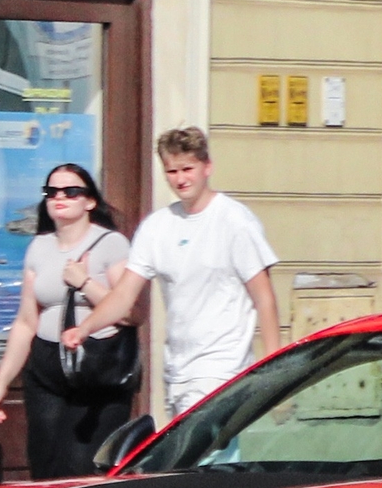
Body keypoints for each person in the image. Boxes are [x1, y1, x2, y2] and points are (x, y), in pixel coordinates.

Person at [63, 127, 280, 416]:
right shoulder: (157, 226)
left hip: (222, 368)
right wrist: (85, 328)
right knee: (187, 461)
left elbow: (263, 297)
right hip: (177, 370)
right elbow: (124, 295)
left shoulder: (235, 221)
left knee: (207, 458)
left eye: (187, 169)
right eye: (172, 171)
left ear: (207, 167)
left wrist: (274, 365)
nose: (180, 179)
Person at [0, 164, 136, 479]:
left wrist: (85, 283)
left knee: (83, 468)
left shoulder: (111, 243)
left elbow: (131, 312)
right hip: (47, 366)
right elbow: (26, 322)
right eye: (52, 192)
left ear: (89, 201)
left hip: (96, 365)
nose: (59, 197)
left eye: (71, 191)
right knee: (45, 463)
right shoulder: (39, 246)